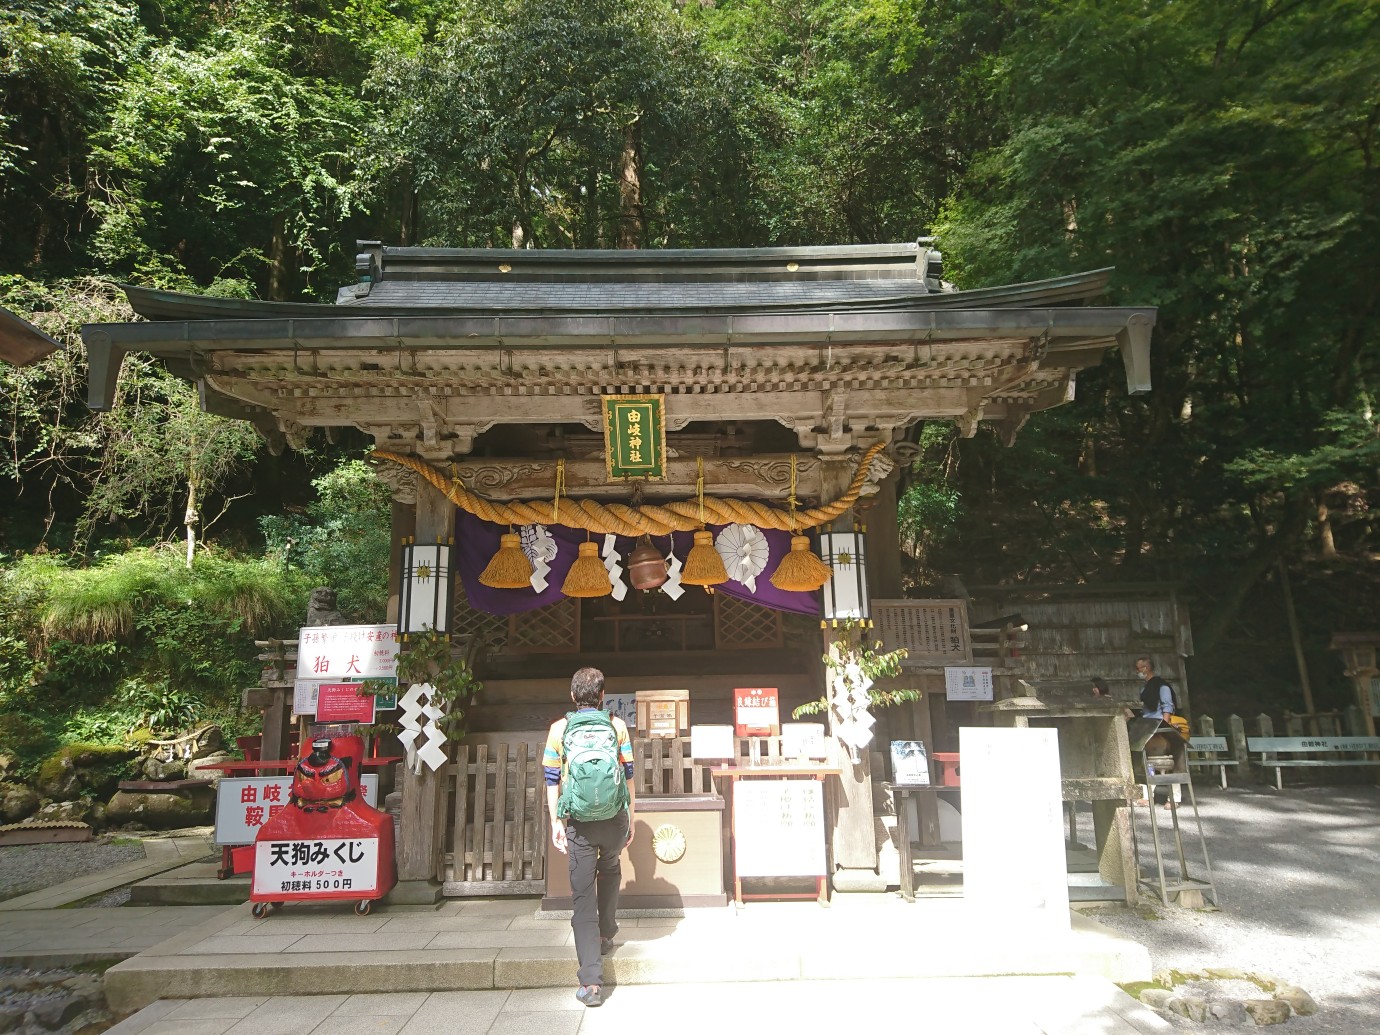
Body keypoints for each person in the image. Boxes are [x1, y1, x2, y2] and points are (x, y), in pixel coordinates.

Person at [544, 666, 635, 1008]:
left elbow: (552, 779)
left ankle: (592, 984)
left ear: (572, 696)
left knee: (582, 896)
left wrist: (556, 821)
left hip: (579, 822)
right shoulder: (617, 726)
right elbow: (628, 776)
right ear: (602, 696)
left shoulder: (559, 729)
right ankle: (606, 932)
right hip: (614, 819)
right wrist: (632, 819)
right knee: (610, 866)